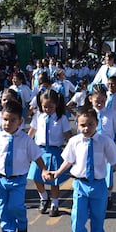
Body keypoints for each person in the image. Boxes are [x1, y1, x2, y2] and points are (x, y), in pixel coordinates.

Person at [48, 106, 116, 232]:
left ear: (96, 123)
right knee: (78, 216)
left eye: (90, 124)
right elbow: (68, 161)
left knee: (98, 215)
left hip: (98, 184)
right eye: (82, 125)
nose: (86, 128)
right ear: (77, 124)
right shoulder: (74, 141)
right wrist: (57, 172)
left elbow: (114, 161)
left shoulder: (105, 141)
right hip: (80, 184)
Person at [0, 101, 49, 232]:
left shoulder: (26, 140)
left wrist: (44, 169)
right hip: (1, 180)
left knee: (15, 206)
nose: (8, 123)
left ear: (20, 121)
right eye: (5, 119)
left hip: (18, 180)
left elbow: (37, 156)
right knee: (2, 208)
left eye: (12, 120)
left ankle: (22, 224)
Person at [28, 89, 73, 217]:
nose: (47, 109)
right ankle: (43, 197)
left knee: (54, 181)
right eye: (45, 106)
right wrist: (25, 144)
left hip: (54, 151)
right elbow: (32, 131)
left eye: (51, 107)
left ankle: (55, 204)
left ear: (56, 105)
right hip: (39, 151)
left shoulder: (61, 118)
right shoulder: (38, 116)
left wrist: (74, 147)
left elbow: (68, 134)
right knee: (36, 177)